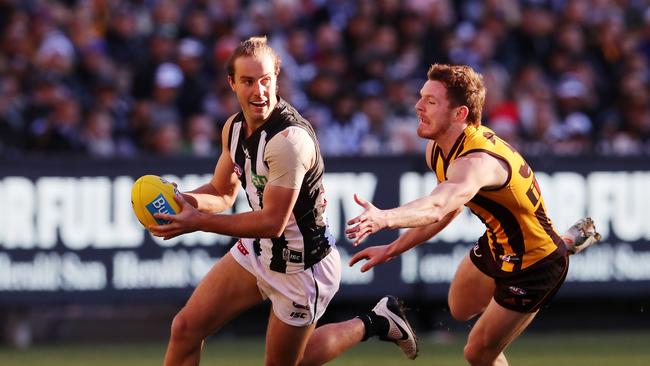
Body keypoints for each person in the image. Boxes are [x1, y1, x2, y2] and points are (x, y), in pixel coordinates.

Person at [149, 36, 418, 366]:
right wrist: (180, 202)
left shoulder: (289, 140)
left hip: (302, 266)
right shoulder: (233, 128)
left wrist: (196, 222)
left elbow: (272, 222)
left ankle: (375, 322)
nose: (259, 91)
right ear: (231, 83)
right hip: (258, 252)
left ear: (277, 78)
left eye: (266, 81)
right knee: (186, 328)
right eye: (248, 81)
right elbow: (222, 192)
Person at [346, 63, 600, 366]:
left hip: (536, 264)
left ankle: (563, 246)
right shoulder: (439, 149)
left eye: (430, 101)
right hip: (499, 243)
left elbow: (438, 205)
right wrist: (393, 248)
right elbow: (449, 207)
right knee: (459, 307)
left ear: (460, 114)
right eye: (421, 97)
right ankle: (567, 240)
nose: (417, 106)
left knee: (477, 353)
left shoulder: (477, 161)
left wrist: (384, 218)